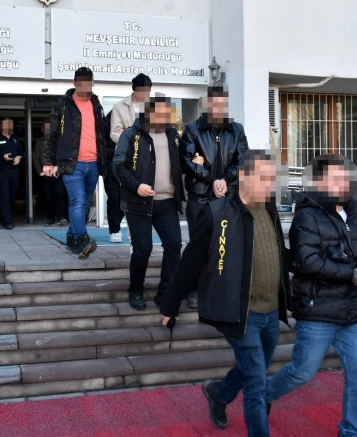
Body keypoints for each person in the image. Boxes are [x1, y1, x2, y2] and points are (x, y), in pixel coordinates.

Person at [160, 150, 291, 436]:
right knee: (256, 384)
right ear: (243, 176)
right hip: (240, 313)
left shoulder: (269, 209)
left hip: (271, 312)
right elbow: (190, 261)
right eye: (263, 178)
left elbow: (277, 252)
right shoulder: (217, 213)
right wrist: (170, 305)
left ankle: (218, 393)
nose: (269, 185)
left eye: (271, 179)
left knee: (252, 369)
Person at [265, 154, 357, 437]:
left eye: (345, 177)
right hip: (318, 310)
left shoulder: (355, 216)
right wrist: (351, 273)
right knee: (301, 372)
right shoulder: (307, 216)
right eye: (336, 178)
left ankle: (352, 431)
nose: (344, 183)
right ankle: (263, 395)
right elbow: (307, 262)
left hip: (351, 313)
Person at [180, 83, 249, 307]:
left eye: (222, 104)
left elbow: (242, 160)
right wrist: (212, 180)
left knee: (224, 245)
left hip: (226, 198)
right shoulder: (192, 129)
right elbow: (187, 161)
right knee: (198, 245)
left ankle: (218, 289)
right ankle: (194, 289)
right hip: (200, 197)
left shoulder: (236, 130)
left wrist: (225, 181)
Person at [114, 94, 185, 310]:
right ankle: (135, 290)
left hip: (167, 202)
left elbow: (181, 163)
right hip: (139, 203)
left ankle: (165, 293)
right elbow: (118, 166)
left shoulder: (173, 136)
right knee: (142, 249)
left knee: (174, 245)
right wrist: (136, 186)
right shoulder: (131, 134)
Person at [43, 67, 106, 259]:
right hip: (71, 163)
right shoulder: (63, 105)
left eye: (89, 84)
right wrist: (48, 162)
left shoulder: (96, 104)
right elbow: (51, 135)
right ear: (74, 83)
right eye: (82, 84)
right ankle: (82, 238)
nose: (86, 88)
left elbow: (101, 134)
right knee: (77, 201)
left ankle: (71, 237)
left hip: (93, 163)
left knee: (84, 203)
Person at [106, 74, 153, 244]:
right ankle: (117, 230)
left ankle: (136, 238)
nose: (146, 94)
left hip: (147, 159)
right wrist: (133, 139)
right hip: (126, 158)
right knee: (123, 197)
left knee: (143, 197)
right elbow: (114, 133)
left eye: (148, 90)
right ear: (135, 90)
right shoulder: (120, 106)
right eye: (142, 90)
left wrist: (128, 132)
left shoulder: (153, 107)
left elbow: (156, 132)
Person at [33, 122, 68, 226]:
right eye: (46, 128)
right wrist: (39, 171)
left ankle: (61, 217)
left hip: (58, 173)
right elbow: (35, 157)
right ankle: (50, 218)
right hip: (46, 173)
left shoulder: (59, 140)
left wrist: (61, 168)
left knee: (60, 194)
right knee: (48, 196)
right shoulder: (39, 142)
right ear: (42, 130)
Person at [0, 118, 22, 230]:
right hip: (2, 170)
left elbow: (20, 152)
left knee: (12, 195)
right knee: (4, 195)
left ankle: (4, 217)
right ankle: (7, 221)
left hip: (14, 170)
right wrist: (2, 157)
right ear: (2, 126)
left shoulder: (15, 138)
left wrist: (19, 157)